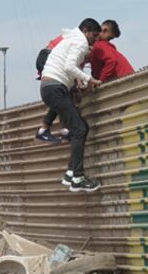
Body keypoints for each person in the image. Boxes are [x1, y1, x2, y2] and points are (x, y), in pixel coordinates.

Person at [40, 18, 102, 192]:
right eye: (94, 36)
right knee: (79, 129)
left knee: (80, 128)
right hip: (55, 88)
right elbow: (68, 66)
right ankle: (78, 178)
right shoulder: (80, 42)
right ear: (86, 30)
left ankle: (70, 173)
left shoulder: (70, 39)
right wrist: (89, 78)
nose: (95, 40)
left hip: (51, 87)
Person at [34, 34, 70, 143]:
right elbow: (72, 66)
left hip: (47, 56)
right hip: (50, 57)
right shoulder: (85, 42)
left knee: (61, 94)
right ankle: (63, 131)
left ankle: (47, 130)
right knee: (63, 92)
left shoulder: (81, 36)